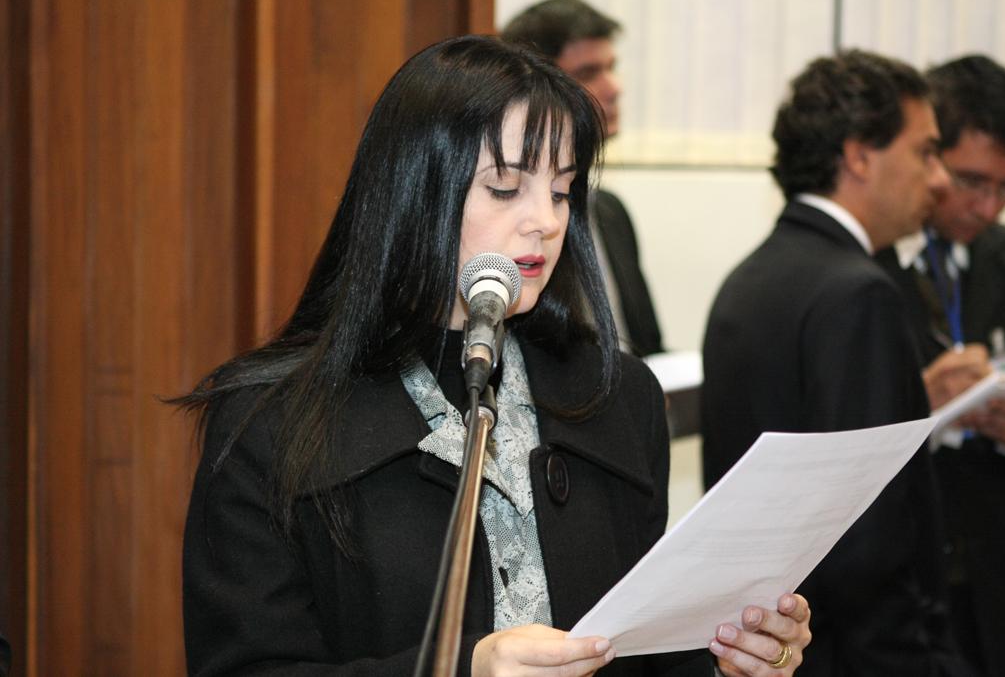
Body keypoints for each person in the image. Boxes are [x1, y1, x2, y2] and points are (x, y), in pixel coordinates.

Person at [178, 36, 810, 676]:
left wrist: (732, 663)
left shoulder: (617, 395)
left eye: (561, 191)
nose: (546, 221)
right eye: (506, 188)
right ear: (414, 192)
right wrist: (464, 668)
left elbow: (647, 655)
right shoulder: (270, 422)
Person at [700, 50, 970, 676]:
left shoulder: (750, 276)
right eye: (925, 152)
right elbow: (870, 535)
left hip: (768, 643)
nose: (939, 180)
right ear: (859, 156)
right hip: (853, 653)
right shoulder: (859, 292)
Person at [875, 54, 1005, 676]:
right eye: (972, 182)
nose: (988, 208)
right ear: (931, 156)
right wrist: (918, 406)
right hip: (901, 577)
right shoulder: (865, 267)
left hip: (1000, 571)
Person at [502, 0, 663, 357]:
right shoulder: (516, 223)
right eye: (589, 73)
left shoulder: (609, 210)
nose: (614, 88)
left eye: (612, 68)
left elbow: (647, 347)